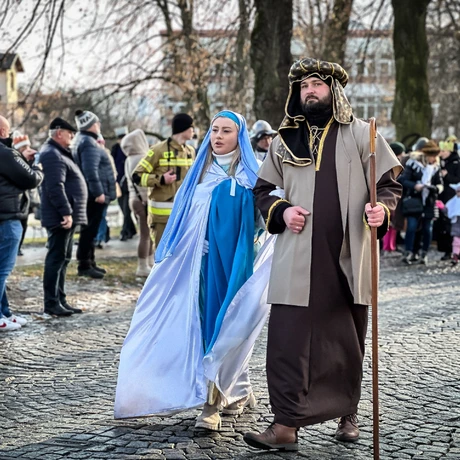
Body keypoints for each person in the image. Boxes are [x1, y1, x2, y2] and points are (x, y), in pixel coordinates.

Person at [243, 57, 402, 452]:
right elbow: (262, 192)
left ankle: (348, 413)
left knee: (344, 340)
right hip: (297, 258)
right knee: (287, 343)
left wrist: (382, 208)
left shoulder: (364, 135)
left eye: (317, 83)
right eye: (303, 86)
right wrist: (282, 211)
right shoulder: (283, 141)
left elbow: (389, 185)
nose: (310, 90)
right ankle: (285, 427)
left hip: (348, 256)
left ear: (334, 88)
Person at [115, 111, 269, 432]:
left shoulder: (254, 175)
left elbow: (267, 218)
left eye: (227, 130)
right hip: (202, 264)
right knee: (210, 324)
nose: (218, 136)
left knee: (234, 323)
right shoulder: (201, 175)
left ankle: (235, 390)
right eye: (214, 130)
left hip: (238, 264)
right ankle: (213, 403)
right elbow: (183, 220)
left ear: (239, 136)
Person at [39, 117, 88, 316]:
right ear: (59, 132)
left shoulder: (59, 152)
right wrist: (66, 212)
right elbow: (54, 187)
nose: (72, 137)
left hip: (66, 215)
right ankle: (51, 303)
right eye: (70, 133)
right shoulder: (52, 154)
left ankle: (60, 299)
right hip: (60, 216)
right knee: (56, 258)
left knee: (64, 258)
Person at [0, 115, 43, 331]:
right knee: (2, 270)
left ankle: (4, 313)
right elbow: (29, 179)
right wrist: (38, 168)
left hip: (5, 215)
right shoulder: (5, 153)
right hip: (8, 217)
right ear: (2, 132)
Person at [132, 113, 195, 251]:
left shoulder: (190, 151)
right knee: (162, 256)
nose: (194, 131)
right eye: (191, 127)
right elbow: (137, 176)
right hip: (162, 218)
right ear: (183, 129)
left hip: (184, 215)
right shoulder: (157, 150)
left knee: (182, 256)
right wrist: (160, 179)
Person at [72, 110, 116, 279]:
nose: (99, 126)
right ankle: (85, 264)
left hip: (89, 193)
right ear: (92, 124)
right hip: (94, 195)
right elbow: (90, 170)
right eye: (97, 123)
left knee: (89, 229)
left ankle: (90, 261)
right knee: (89, 230)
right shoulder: (88, 143)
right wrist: (98, 192)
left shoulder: (83, 140)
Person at [399, 140, 443, 265]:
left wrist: (437, 188)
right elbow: (403, 180)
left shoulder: (436, 167)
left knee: (427, 229)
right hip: (414, 200)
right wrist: (415, 186)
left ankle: (424, 253)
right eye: (432, 156)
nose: (434, 158)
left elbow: (440, 183)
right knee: (412, 227)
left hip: (429, 201)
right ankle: (408, 252)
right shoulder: (413, 164)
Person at [121, 129, 153, 276]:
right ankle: (142, 265)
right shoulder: (141, 158)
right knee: (146, 235)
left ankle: (149, 262)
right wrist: (148, 200)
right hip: (143, 200)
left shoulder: (129, 159)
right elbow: (143, 184)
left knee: (146, 234)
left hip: (133, 199)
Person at [435, 138, 460, 260]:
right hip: (442, 197)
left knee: (453, 225)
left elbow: (457, 180)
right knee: (443, 224)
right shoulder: (440, 163)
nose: (442, 153)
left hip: (453, 199)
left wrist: (447, 176)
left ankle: (454, 250)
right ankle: (446, 250)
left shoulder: (457, 163)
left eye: (444, 150)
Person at [111, 126, 137, 241]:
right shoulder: (115, 149)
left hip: (130, 184)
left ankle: (124, 232)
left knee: (127, 210)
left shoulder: (131, 149)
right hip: (119, 184)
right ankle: (131, 230)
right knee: (123, 208)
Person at [445, 183, 460, 265]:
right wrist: (442, 207)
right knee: (456, 241)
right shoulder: (454, 200)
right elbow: (447, 209)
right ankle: (455, 255)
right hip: (456, 223)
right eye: (457, 191)